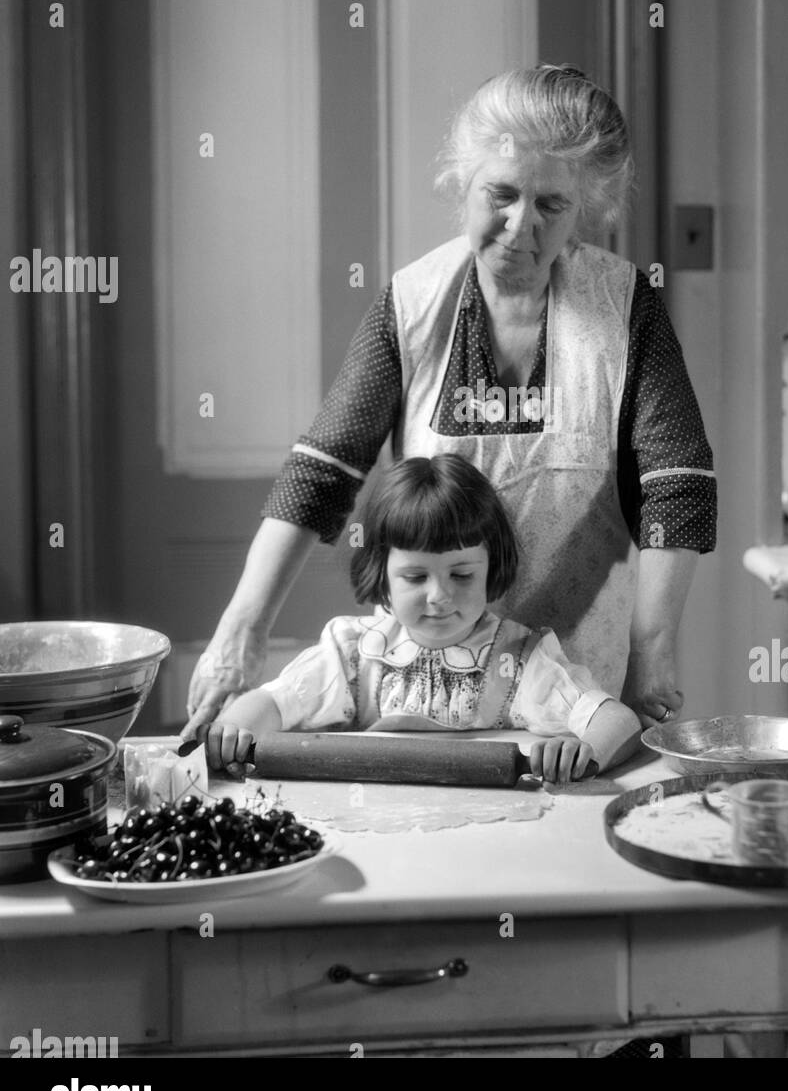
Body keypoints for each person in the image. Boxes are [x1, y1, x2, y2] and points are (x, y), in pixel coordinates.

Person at [185, 64, 716, 740]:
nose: (519, 225)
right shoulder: (410, 303)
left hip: (572, 692)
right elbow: (323, 470)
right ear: (462, 184)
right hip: (422, 684)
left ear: (586, 208)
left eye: (551, 204)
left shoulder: (624, 307)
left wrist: (653, 647)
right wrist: (242, 629)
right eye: (500, 193)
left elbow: (676, 487)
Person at [205, 455, 643, 784]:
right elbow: (274, 703)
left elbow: (619, 722)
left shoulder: (521, 660)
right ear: (383, 574)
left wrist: (582, 751)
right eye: (415, 576)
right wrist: (233, 731)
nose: (439, 596)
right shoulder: (352, 654)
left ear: (492, 568)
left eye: (461, 574)